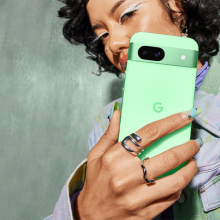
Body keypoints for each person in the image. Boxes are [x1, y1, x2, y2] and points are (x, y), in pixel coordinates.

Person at [44, 0, 220, 219]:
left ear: (178, 8)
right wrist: (85, 211)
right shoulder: (107, 122)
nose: (113, 44)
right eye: (103, 35)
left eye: (127, 15)